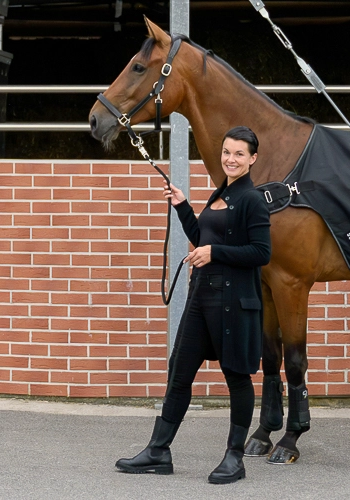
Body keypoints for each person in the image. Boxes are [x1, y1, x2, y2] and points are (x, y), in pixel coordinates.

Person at [115, 126, 271, 485]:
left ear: (252, 159)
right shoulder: (222, 192)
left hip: (233, 302)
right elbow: (203, 238)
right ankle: (158, 450)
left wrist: (215, 252)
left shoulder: (251, 199)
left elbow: (261, 253)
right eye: (226, 152)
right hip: (203, 298)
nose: (230, 159)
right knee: (180, 370)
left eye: (238, 154)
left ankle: (235, 456)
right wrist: (183, 205)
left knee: (236, 376)